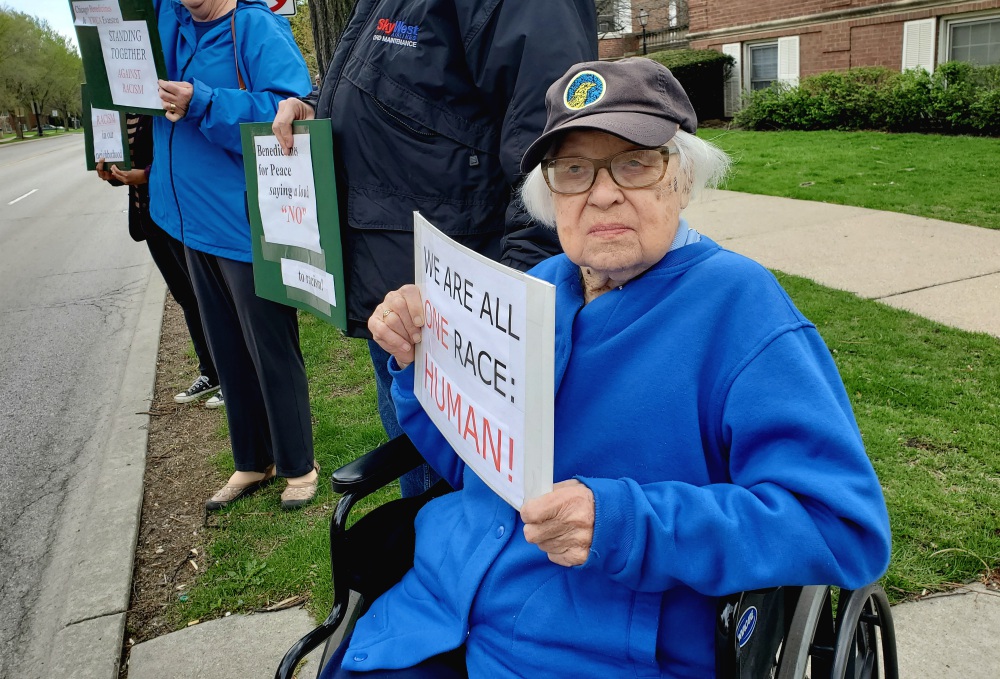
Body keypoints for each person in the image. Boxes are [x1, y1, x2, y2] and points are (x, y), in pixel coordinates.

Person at [323, 58, 893, 677]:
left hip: (591, 646)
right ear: (550, 195)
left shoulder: (740, 309)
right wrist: (419, 363)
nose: (602, 192)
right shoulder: (534, 289)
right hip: (435, 608)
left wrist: (628, 525)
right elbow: (472, 465)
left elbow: (841, 527)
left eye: (635, 161)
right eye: (573, 170)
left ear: (683, 177)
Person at [271, 0, 597, 498]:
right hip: (400, 287)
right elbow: (409, 85)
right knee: (421, 471)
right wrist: (317, 103)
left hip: (460, 298)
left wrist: (511, 307)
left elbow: (552, 146)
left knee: (460, 489)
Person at [150, 0, 317, 510]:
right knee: (224, 346)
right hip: (189, 219)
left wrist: (203, 100)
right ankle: (252, 460)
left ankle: (297, 464)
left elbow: (286, 112)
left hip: (245, 220)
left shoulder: (255, 26)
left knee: (268, 345)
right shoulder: (170, 23)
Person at [95, 114, 223, 409]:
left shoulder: (158, 109)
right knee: (187, 299)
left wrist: (146, 175)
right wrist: (113, 175)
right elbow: (129, 164)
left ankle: (233, 377)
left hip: (179, 214)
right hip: (149, 220)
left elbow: (180, 157)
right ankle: (211, 373)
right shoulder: (116, 115)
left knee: (210, 299)